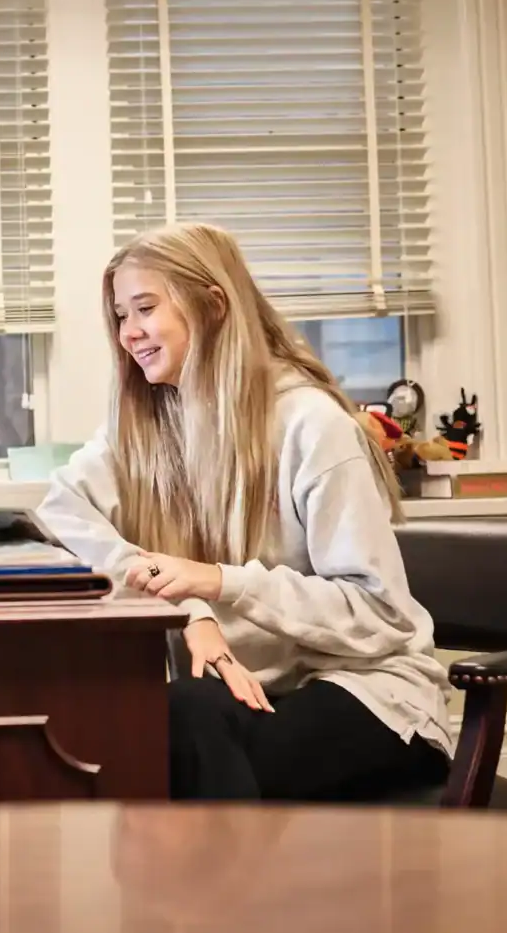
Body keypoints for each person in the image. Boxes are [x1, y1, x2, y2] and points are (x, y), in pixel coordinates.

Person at [37, 221, 452, 801]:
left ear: (212, 305)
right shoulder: (145, 429)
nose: (130, 334)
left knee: (183, 755)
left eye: (145, 309)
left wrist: (222, 582)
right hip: (253, 692)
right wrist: (192, 608)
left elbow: (380, 613)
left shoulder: (313, 426)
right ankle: (224, 889)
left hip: (368, 690)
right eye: (120, 317)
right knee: (177, 715)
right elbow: (58, 513)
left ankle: (215, 891)